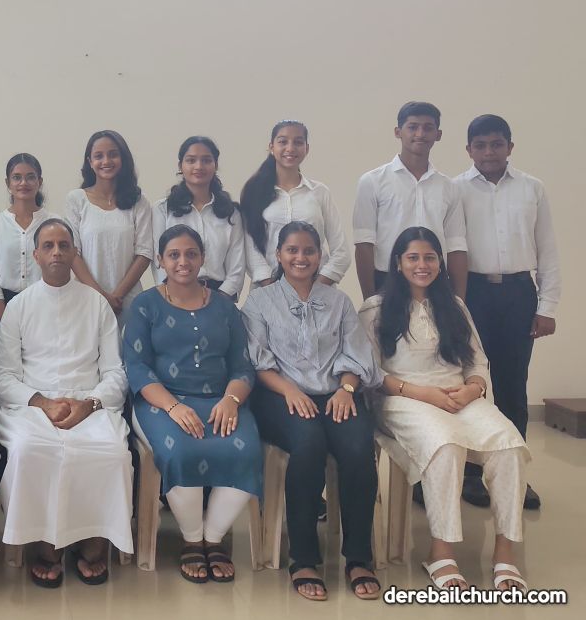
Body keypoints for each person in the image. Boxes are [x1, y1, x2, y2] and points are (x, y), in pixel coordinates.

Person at [360, 228, 529, 592]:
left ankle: (505, 552)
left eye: (430, 257)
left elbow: (477, 361)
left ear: (440, 263)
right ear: (398, 263)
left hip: (458, 395)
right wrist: (422, 393)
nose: (422, 265)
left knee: (509, 443)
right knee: (445, 444)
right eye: (413, 257)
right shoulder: (374, 309)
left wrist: (472, 389)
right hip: (403, 397)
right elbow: (371, 373)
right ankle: (441, 552)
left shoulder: (455, 306)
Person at [243, 221, 382, 602]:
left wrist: (346, 390)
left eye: (309, 251)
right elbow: (257, 361)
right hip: (278, 394)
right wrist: (290, 391)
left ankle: (359, 557)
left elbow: (357, 354)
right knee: (308, 444)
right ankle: (303, 558)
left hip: (336, 393)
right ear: (279, 255)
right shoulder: (259, 301)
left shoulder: (339, 301)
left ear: (320, 256)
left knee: (358, 448)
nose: (300, 258)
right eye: (292, 250)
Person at [0, 218, 132, 588]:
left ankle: (93, 540)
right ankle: (45, 544)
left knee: (112, 452)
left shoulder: (97, 305)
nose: (56, 252)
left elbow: (115, 372)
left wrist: (89, 404)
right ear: (36, 256)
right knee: (30, 450)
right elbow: (3, 375)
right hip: (31, 405)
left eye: (64, 245)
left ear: (74, 253)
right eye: (48, 246)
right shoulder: (19, 306)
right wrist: (43, 403)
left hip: (89, 402)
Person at [123, 225, 261, 584]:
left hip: (220, 401)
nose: (182, 262)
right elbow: (136, 367)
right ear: (160, 260)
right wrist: (173, 407)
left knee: (246, 450)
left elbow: (242, 366)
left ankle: (213, 538)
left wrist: (231, 400)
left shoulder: (225, 307)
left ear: (202, 259)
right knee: (181, 449)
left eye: (191, 254)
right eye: (174, 255)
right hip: (159, 402)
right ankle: (191, 539)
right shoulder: (145, 305)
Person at [455, 114, 559, 511]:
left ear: (510, 147)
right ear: (469, 150)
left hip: (518, 293)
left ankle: (514, 476)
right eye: (480, 145)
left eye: (496, 144)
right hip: (472, 292)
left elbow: (547, 250)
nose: (489, 152)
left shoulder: (533, 188)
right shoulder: (455, 190)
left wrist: (547, 306)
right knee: (469, 383)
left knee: (513, 386)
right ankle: (469, 474)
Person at [353, 101, 467, 300]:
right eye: (413, 127)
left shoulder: (449, 187)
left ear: (438, 135)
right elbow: (364, 244)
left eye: (428, 128)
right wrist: (369, 299)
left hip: (435, 282)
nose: (420, 134)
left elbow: (456, 247)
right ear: (398, 132)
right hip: (387, 281)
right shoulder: (372, 181)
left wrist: (459, 301)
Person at [239, 120, 349, 288]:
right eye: (283, 142)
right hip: (267, 290)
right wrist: (274, 290)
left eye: (298, 142)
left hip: (318, 290)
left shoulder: (320, 192)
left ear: (307, 148)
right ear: (271, 147)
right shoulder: (254, 191)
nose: (290, 148)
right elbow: (250, 249)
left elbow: (341, 251)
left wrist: (317, 288)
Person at [65, 130, 154, 319]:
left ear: (123, 158)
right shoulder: (76, 200)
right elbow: (73, 253)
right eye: (99, 156)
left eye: (113, 154)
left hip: (127, 302)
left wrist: (117, 296)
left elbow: (144, 253)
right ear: (90, 162)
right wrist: (101, 296)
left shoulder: (139, 201)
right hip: (86, 298)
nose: (106, 161)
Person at [152, 136, 246, 297]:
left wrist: (219, 300)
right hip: (174, 296)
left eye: (206, 160)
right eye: (191, 160)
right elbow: (158, 262)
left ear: (215, 165)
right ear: (180, 165)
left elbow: (236, 268)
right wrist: (169, 297)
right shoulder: (162, 209)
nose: (199, 166)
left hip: (219, 296)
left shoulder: (230, 213)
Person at [0, 153, 54, 328]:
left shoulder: (53, 223)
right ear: (8, 183)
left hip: (45, 306)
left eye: (30, 177)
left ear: (40, 182)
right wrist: (8, 321)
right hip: (3, 309)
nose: (23, 183)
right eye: (17, 177)